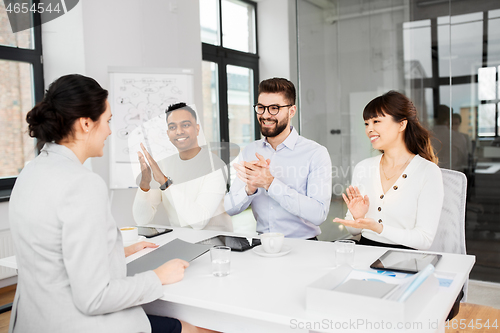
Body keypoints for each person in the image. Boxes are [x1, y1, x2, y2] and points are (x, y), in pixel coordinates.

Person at [8, 74, 212, 333]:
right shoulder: (82, 184)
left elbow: (51, 249)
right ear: (85, 123)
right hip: (77, 325)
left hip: (33, 320)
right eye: (107, 120)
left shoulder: (31, 172)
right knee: (198, 329)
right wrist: (158, 277)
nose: (109, 130)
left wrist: (115, 251)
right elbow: (95, 297)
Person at [333, 91, 444, 250]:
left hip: (405, 261)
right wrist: (359, 217)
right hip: (364, 255)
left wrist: (379, 228)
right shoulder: (363, 168)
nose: (369, 129)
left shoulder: (428, 171)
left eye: (376, 121)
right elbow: (353, 230)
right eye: (366, 123)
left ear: (401, 124)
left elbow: (424, 239)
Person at [224, 78, 332, 239]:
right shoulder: (249, 151)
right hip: (263, 246)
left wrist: (270, 183)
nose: (265, 115)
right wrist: (249, 188)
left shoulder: (315, 153)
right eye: (261, 108)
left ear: (292, 111)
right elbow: (229, 208)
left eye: (274, 108)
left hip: (305, 247)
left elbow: (319, 214)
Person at [133, 103, 232, 232]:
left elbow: (199, 222)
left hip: (216, 244)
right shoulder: (164, 165)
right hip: (181, 242)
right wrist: (144, 184)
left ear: (197, 129)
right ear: (168, 134)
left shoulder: (216, 166)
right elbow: (142, 220)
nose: (179, 131)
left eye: (185, 125)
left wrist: (165, 182)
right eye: (173, 127)